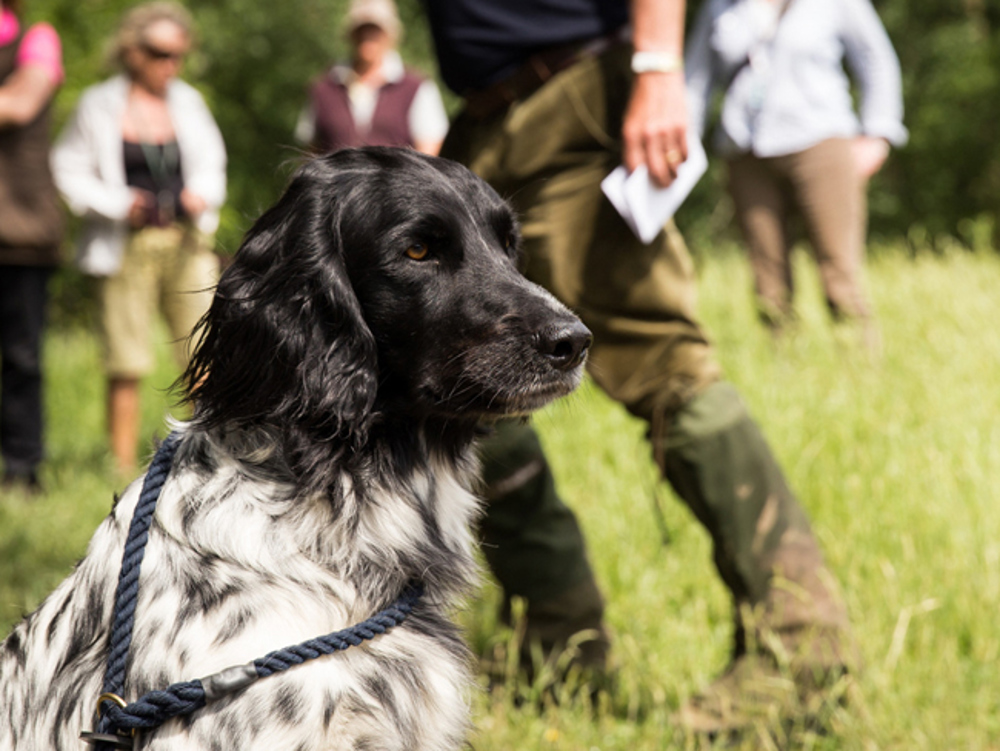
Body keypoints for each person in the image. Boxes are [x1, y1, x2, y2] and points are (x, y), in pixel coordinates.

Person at [423, 0, 857, 734]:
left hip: (577, 94)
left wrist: (658, 68)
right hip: (491, 118)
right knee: (463, 379)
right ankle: (557, 638)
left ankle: (800, 648)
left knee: (663, 360)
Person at [51, 1, 226, 475]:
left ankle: (208, 455)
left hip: (184, 241)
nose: (169, 64)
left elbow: (213, 167)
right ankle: (122, 465)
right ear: (131, 51)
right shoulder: (98, 104)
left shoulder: (188, 102)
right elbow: (67, 170)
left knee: (204, 348)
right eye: (158, 53)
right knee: (125, 359)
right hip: (125, 242)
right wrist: (117, 202)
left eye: (177, 55)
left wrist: (198, 196)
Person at [685, 0, 907, 337]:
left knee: (839, 273)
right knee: (768, 279)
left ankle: (861, 367)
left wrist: (879, 131)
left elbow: (876, 59)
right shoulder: (721, 5)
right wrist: (681, 145)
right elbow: (695, 80)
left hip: (819, 140)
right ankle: (784, 366)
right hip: (745, 148)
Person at [0, 0, 63, 494]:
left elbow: (18, 105)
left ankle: (22, 468)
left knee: (22, 357)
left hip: (19, 227)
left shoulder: (35, 39)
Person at [295, 0, 448, 156]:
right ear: (350, 34)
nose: (367, 37)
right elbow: (309, 151)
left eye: (375, 30)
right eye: (361, 29)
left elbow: (429, 151)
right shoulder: (324, 89)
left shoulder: (416, 87)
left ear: (391, 35)